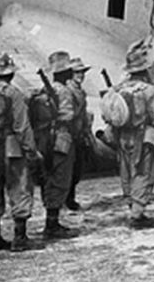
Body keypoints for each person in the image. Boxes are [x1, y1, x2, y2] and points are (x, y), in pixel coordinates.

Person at [0, 53, 43, 252]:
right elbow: (22, 126)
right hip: (12, 149)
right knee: (19, 189)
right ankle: (20, 238)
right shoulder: (13, 93)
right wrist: (31, 151)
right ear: (11, 74)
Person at [109, 43, 154, 229]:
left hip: (122, 137)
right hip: (143, 136)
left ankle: (132, 206)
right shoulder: (149, 90)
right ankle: (137, 216)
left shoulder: (118, 89)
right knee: (143, 173)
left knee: (126, 172)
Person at [39, 51, 80, 239]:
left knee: (49, 177)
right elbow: (69, 116)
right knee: (60, 177)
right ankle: (52, 224)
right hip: (62, 138)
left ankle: (52, 221)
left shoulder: (45, 89)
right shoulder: (64, 91)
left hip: (46, 138)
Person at [65, 57, 92, 211]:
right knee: (68, 170)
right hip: (70, 134)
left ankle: (70, 198)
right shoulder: (69, 90)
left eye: (82, 72)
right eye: (77, 72)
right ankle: (67, 200)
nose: (80, 75)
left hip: (79, 133)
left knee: (76, 170)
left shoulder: (80, 91)